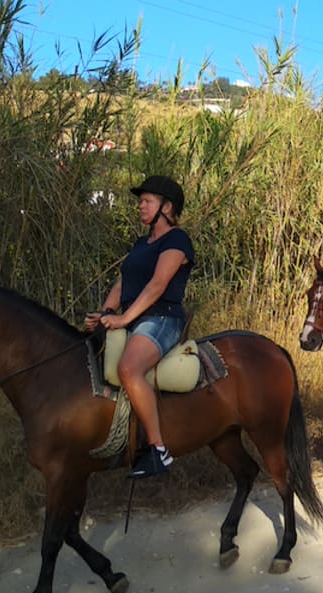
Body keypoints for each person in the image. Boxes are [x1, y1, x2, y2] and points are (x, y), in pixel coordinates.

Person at [85, 175, 195, 479]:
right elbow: (125, 283)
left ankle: (158, 450)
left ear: (167, 207)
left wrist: (121, 319)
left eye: (147, 201)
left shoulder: (177, 240)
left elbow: (157, 286)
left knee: (129, 369)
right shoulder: (140, 244)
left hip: (163, 319)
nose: (140, 206)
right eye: (140, 201)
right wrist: (105, 312)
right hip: (137, 317)